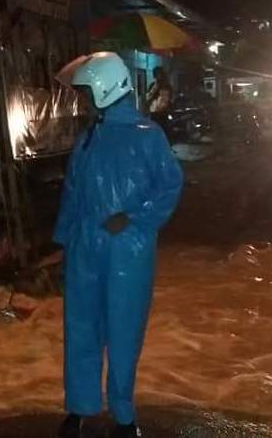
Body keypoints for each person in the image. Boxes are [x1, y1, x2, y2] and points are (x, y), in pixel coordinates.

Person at [54, 52, 183, 438]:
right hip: (86, 247)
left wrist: (134, 217)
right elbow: (72, 194)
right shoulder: (88, 139)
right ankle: (80, 407)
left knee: (124, 331)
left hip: (127, 249)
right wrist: (64, 244)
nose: (82, 101)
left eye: (85, 92)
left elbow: (170, 185)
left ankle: (124, 415)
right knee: (81, 326)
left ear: (103, 88)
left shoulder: (148, 135)